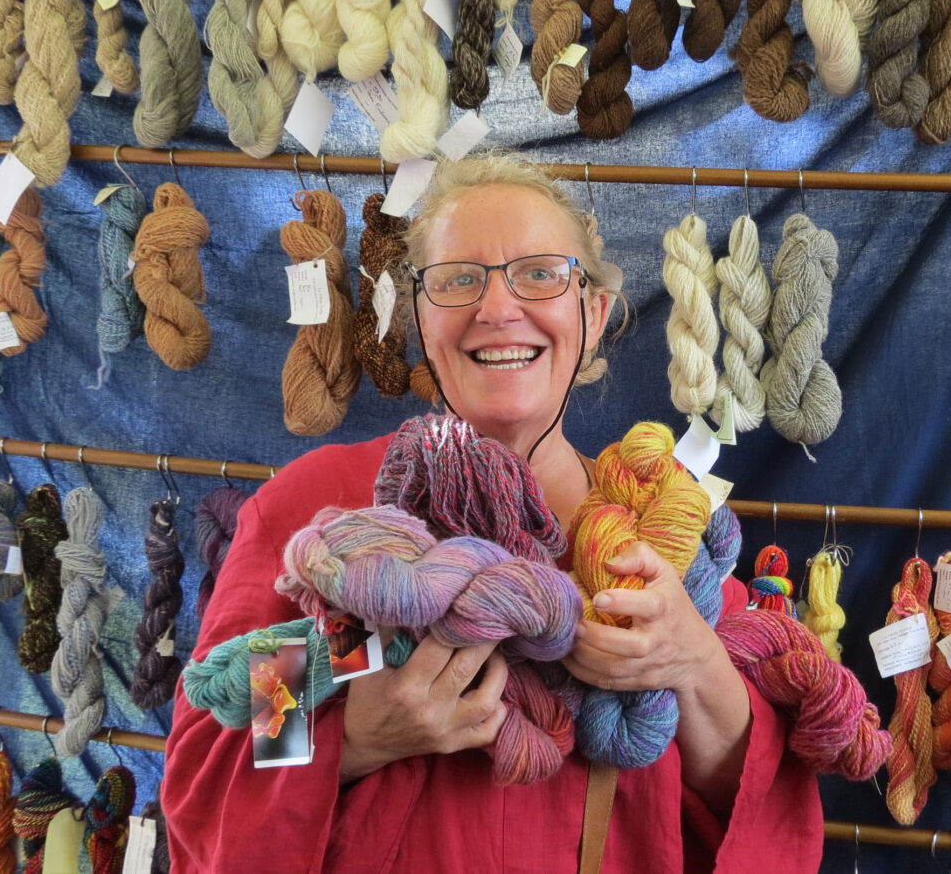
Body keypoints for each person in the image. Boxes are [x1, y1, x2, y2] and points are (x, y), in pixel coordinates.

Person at [162, 153, 823, 872]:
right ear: (419, 315)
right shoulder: (321, 514)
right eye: (457, 280)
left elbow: (763, 818)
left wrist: (693, 661)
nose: (498, 308)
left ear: (593, 313)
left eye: (541, 273)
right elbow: (217, 755)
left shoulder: (658, 523)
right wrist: (354, 738)